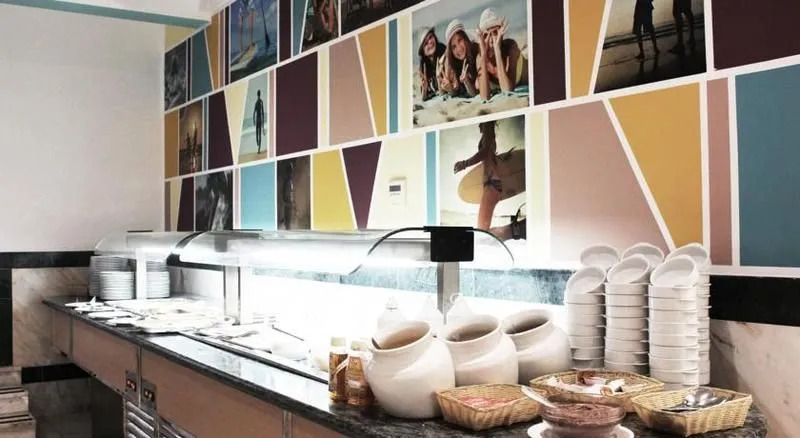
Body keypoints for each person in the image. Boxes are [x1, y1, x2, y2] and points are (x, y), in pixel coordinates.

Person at [453, 121, 526, 241]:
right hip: (491, 184)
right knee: (483, 232)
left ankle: (518, 229)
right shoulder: (488, 135)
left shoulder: (488, 132)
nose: (479, 125)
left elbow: (485, 151)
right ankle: (516, 229)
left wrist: (465, 163)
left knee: (482, 232)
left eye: (480, 123)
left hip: (491, 184)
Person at [475, 8, 528, 100]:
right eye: (486, 35)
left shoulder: (511, 47)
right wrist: (483, 54)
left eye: (495, 32)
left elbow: (508, 90)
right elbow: (484, 97)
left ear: (501, 33)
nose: (491, 39)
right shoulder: (480, 57)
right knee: (477, 84)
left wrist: (497, 50)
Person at [440, 20, 479, 98]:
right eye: (454, 46)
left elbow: (478, 91)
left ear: (465, 38)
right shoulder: (454, 64)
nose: (459, 48)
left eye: (460, 40)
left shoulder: (476, 51)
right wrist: (451, 89)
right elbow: (456, 93)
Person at [417, 28, 446, 101]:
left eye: (430, 37)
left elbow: (444, 92)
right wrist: (425, 89)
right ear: (423, 51)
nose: (430, 41)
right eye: (426, 43)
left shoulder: (443, 52)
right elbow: (424, 98)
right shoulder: (424, 65)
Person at [253, 89, 265, 154]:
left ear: (257, 94)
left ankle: (258, 145)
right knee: (259, 134)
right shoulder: (261, 102)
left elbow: (254, 112)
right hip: (260, 119)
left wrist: (253, 120)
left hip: (257, 119)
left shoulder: (256, 102)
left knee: (257, 133)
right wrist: (263, 123)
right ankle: (258, 148)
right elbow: (262, 112)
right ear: (260, 94)